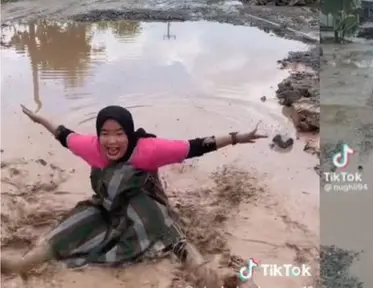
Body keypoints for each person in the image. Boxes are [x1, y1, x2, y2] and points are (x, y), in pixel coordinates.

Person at [1, 104, 268, 287]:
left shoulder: (148, 150)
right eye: (105, 134)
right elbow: (63, 134)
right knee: (78, 221)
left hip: (147, 207)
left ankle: (213, 277)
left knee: (166, 231)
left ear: (129, 133)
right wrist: (40, 119)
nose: (112, 141)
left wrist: (237, 137)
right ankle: (21, 263)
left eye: (119, 134)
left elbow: (194, 146)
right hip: (109, 206)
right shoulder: (92, 147)